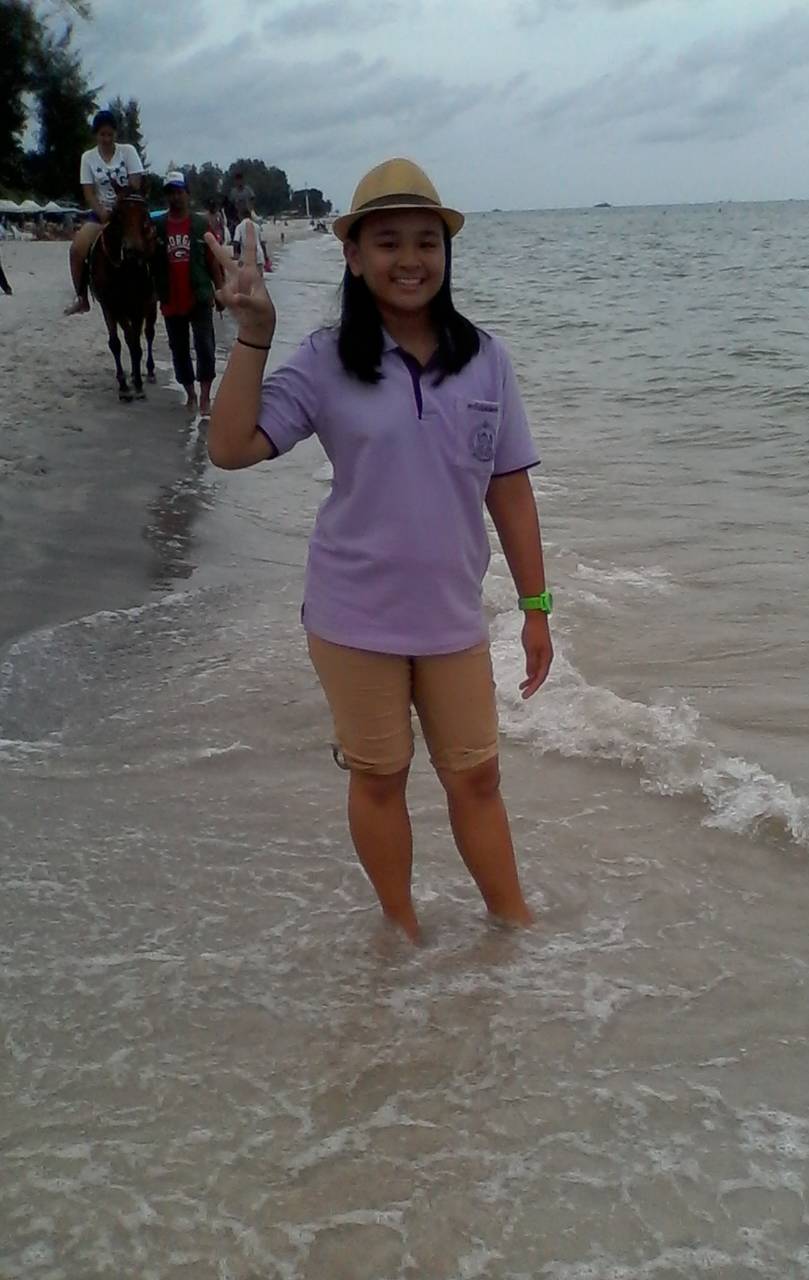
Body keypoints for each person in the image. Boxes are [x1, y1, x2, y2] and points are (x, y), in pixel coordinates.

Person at [206, 157, 553, 943]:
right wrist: (255, 336)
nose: (410, 259)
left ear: (446, 253)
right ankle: (403, 936)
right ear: (354, 256)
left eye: (427, 241)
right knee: (379, 778)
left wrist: (536, 607)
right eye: (388, 242)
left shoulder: (486, 359)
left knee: (477, 777)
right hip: (353, 617)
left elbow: (509, 492)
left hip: (452, 617)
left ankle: (516, 932)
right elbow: (229, 448)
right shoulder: (327, 360)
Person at [152, 171, 224, 417]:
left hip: (200, 295)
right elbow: (150, 259)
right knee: (179, 349)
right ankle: (190, 394)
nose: (175, 197)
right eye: (170, 193)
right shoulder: (158, 226)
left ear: (187, 194)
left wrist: (220, 291)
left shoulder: (200, 225)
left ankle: (205, 396)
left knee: (206, 346)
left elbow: (213, 260)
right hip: (171, 299)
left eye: (179, 192)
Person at [65, 108, 145, 315]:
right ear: (96, 135)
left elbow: (136, 182)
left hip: (128, 209)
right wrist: (101, 212)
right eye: (102, 134)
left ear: (115, 134)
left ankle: (157, 286)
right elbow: (88, 191)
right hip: (101, 212)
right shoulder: (88, 157)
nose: (107, 139)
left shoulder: (128, 151)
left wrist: (121, 203)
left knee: (151, 240)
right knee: (77, 249)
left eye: (110, 134)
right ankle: (81, 296)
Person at [223, 170, 254, 236]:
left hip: (248, 213)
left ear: (242, 180)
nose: (239, 182)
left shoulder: (248, 190)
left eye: (240, 180)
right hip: (237, 215)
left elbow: (252, 199)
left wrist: (251, 208)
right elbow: (230, 204)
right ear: (235, 181)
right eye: (237, 180)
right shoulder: (233, 192)